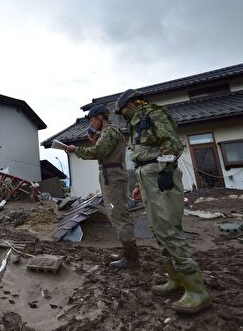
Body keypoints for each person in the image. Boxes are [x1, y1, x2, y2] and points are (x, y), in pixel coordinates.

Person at [115, 89, 212, 314]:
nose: (124, 115)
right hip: (147, 175)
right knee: (157, 229)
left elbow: (171, 142)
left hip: (160, 174)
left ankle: (197, 289)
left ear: (130, 105)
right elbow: (144, 151)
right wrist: (140, 183)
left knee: (168, 229)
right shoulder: (137, 122)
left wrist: (166, 169)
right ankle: (175, 278)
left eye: (124, 111)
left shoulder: (153, 114)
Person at [66, 104, 138, 269]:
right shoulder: (111, 133)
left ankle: (131, 257)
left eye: (92, 120)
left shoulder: (109, 132)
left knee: (118, 214)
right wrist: (95, 141)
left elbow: (98, 152)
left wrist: (75, 149)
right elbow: (104, 150)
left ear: (100, 117)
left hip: (112, 177)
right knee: (116, 213)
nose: (92, 124)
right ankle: (127, 252)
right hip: (111, 175)